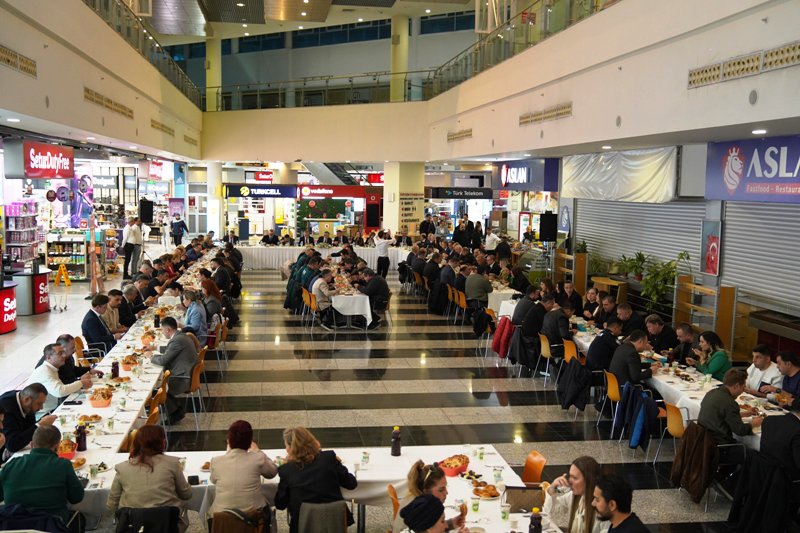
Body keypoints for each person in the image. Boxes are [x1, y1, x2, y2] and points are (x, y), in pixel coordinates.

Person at [107, 424, 193, 532]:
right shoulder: (172, 463)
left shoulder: (122, 468)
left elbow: (111, 504)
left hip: (133, 525)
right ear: (162, 442)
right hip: (168, 523)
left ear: (135, 443)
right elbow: (186, 494)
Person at [275, 427, 358, 533]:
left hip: (302, 526)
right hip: (334, 525)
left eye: (286, 446)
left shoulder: (286, 470)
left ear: (291, 448)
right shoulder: (329, 458)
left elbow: (280, 504)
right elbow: (351, 483)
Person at [0, 426, 84, 525]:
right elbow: (76, 498)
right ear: (58, 447)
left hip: (14, 526)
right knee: (79, 519)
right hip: (51, 526)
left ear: (31, 445)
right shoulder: (63, 465)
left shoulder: (10, 465)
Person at [209, 420, 278, 520]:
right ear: (250, 442)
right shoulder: (258, 458)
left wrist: (228, 453)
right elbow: (272, 472)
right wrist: (257, 450)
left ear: (228, 441)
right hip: (254, 519)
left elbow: (213, 480)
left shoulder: (216, 461)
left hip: (222, 520)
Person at [143, 317, 198, 424]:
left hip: (182, 378)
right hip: (188, 372)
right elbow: (172, 349)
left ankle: (175, 413)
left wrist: (151, 356)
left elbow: (163, 360)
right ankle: (176, 411)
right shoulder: (180, 336)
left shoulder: (176, 340)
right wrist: (155, 348)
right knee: (159, 383)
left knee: (156, 389)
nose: (162, 332)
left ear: (168, 329)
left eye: (162, 330)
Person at [392, 461, 465, 533]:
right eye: (441, 490)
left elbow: (432, 527)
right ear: (426, 492)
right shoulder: (418, 511)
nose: (446, 492)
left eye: (446, 487)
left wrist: (451, 523)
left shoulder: (422, 505)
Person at [697, 369, 762, 445]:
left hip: (702, 440)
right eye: (743, 388)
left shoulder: (711, 393)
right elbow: (741, 431)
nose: (743, 391)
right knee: (755, 451)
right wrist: (753, 424)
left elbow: (720, 415)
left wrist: (744, 414)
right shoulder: (730, 403)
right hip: (719, 445)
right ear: (736, 386)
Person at [544, 456, 607, 533]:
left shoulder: (602, 508)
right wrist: (552, 487)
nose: (570, 481)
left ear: (589, 480)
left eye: (575, 478)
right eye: (570, 476)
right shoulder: (573, 496)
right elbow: (550, 512)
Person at [25, 343, 93, 413]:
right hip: (41, 413)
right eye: (60, 353)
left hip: (53, 407)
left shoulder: (52, 368)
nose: (64, 355)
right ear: (49, 357)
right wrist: (81, 383)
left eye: (63, 352)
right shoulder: (44, 371)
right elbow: (59, 391)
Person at [0, 383, 54, 460]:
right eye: (39, 404)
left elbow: (30, 428)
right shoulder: (7, 410)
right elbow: (12, 445)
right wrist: (39, 425)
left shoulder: (25, 402)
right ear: (27, 399)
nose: (41, 408)